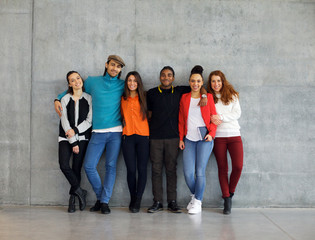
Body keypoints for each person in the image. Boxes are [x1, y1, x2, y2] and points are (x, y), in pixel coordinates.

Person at [54, 55, 125, 214]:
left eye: (118, 66)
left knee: (110, 166)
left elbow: (137, 90)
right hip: (97, 132)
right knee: (89, 166)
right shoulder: (92, 81)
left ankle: (104, 202)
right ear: (106, 65)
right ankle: (100, 197)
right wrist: (57, 99)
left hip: (115, 132)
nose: (115, 68)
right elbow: (75, 87)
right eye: (112, 65)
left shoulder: (122, 84)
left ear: (120, 70)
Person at [146, 66, 208, 213]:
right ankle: (157, 202)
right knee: (155, 170)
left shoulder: (180, 91)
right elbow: (148, 114)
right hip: (155, 138)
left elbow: (199, 87)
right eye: (163, 75)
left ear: (173, 78)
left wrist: (204, 96)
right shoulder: (152, 93)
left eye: (169, 75)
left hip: (174, 138)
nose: (166, 77)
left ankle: (172, 202)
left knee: (171, 170)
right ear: (159, 77)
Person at [178, 65, 217, 214]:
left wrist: (211, 134)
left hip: (204, 139)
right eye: (193, 81)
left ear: (202, 83)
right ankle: (195, 197)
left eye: (198, 81)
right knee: (188, 173)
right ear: (189, 81)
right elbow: (181, 120)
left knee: (199, 171)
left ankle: (198, 202)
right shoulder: (184, 98)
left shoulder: (208, 97)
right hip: (189, 139)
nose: (195, 83)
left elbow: (213, 118)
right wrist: (181, 138)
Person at [207, 70, 243, 215]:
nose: (216, 84)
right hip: (219, 137)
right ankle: (227, 198)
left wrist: (220, 116)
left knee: (238, 166)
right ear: (210, 83)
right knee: (222, 169)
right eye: (213, 81)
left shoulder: (233, 95)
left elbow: (237, 114)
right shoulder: (209, 98)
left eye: (218, 81)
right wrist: (213, 118)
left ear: (223, 81)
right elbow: (209, 116)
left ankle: (231, 191)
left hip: (234, 135)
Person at [58, 71, 92, 213]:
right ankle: (79, 191)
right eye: (73, 80)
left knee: (76, 169)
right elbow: (64, 120)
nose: (76, 81)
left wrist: (76, 131)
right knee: (64, 165)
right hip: (65, 138)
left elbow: (89, 120)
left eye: (78, 78)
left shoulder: (89, 98)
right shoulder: (64, 99)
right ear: (69, 84)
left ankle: (72, 201)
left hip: (82, 138)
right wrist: (72, 142)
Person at [121, 71, 150, 213]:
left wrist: (205, 94)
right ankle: (133, 197)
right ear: (126, 82)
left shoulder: (145, 97)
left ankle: (138, 200)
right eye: (129, 80)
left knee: (142, 169)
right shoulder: (122, 98)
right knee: (131, 170)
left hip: (143, 137)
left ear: (138, 83)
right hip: (127, 137)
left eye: (135, 81)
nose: (132, 83)